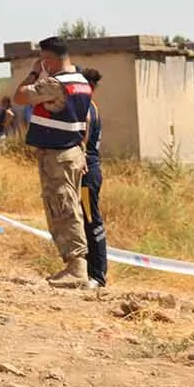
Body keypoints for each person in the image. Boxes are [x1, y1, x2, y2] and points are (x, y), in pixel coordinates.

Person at [15, 36, 94, 289]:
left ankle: (76, 268)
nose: (43, 65)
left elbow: (20, 97)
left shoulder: (55, 83)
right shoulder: (81, 82)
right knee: (69, 206)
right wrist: (82, 151)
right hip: (72, 152)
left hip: (58, 156)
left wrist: (33, 74)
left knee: (63, 208)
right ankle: (76, 266)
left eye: (43, 60)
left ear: (49, 59)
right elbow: (86, 121)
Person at [80, 68, 108, 288]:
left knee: (91, 220)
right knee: (85, 220)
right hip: (90, 170)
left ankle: (97, 275)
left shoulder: (86, 109)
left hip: (87, 173)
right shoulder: (91, 106)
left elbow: (83, 139)